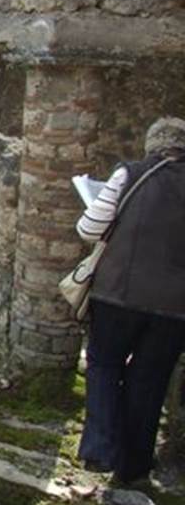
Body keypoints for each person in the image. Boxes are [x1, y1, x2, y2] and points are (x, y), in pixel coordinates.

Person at [76, 116, 185, 485]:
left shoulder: (132, 174)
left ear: (153, 144)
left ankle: (99, 450)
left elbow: (89, 229)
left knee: (104, 364)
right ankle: (133, 469)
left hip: (117, 293)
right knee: (149, 381)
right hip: (175, 308)